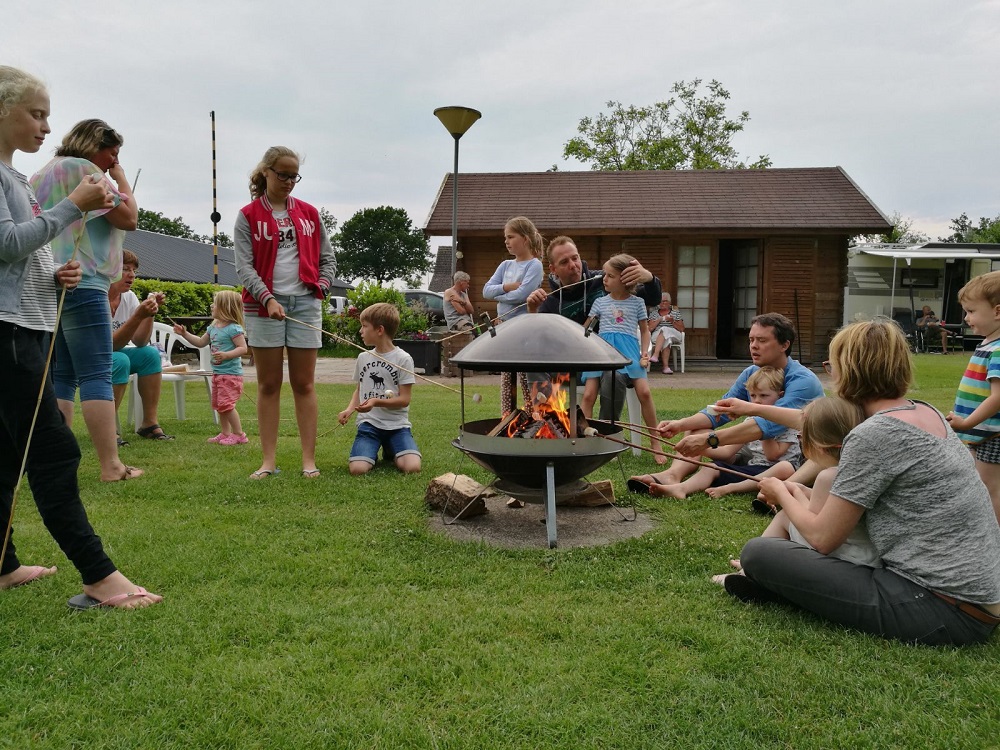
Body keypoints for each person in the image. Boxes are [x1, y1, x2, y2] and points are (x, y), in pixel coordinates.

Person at [726, 319, 1000, 646]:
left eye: (832, 366)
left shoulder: (874, 434)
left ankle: (771, 581)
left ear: (850, 370)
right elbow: (813, 420)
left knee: (759, 553)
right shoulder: (925, 412)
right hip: (980, 597)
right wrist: (749, 413)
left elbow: (823, 539)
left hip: (941, 607)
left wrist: (781, 492)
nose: (831, 375)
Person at [0, 65, 161, 608]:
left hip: (26, 323)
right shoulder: (14, 178)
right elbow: (6, 243)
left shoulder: (21, 178)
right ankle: (98, 576)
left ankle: (3, 565)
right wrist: (76, 205)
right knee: (53, 453)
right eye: (36, 114)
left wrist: (53, 273)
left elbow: (21, 251)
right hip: (10, 332)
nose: (47, 127)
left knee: (7, 452)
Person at [31, 118, 142, 481]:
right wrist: (121, 178)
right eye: (113, 152)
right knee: (96, 372)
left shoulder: (42, 174)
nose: (114, 160)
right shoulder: (87, 171)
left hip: (50, 279)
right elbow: (129, 218)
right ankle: (111, 465)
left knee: (62, 375)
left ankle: (58, 460)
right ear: (96, 145)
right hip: (87, 278)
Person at [630, 313, 823, 492]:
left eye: (762, 340)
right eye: (751, 340)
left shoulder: (802, 381)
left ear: (784, 345)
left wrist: (708, 440)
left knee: (705, 436)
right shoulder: (752, 372)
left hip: (791, 458)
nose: (754, 346)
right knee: (697, 428)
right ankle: (672, 475)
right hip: (752, 449)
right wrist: (681, 424)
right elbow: (719, 411)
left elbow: (766, 426)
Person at [234, 146, 337, 480]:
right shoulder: (248, 216)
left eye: (294, 176)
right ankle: (268, 462)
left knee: (304, 384)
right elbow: (244, 267)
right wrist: (267, 299)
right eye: (283, 175)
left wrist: (320, 286)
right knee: (268, 385)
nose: (289, 182)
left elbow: (328, 259)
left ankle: (309, 461)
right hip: (262, 308)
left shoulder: (309, 214)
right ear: (266, 172)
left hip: (305, 305)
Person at [712, 397, 878, 588]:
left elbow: (812, 522)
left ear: (817, 445)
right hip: (867, 555)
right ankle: (749, 565)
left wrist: (782, 494)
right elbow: (831, 505)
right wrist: (797, 489)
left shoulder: (827, 477)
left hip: (849, 558)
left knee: (785, 517)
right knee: (788, 514)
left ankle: (748, 571)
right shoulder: (854, 470)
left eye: (801, 437)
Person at [526, 236, 662, 420]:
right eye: (564, 262)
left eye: (575, 258)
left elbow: (652, 298)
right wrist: (532, 311)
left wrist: (649, 279)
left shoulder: (604, 280)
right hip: (571, 366)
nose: (573, 265)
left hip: (606, 361)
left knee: (612, 373)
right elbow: (537, 338)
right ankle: (548, 423)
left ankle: (607, 429)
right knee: (532, 361)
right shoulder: (550, 302)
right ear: (553, 269)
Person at [646, 367, 800, 498]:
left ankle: (732, 488)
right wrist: (699, 445)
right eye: (753, 396)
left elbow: (772, 455)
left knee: (785, 467)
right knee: (711, 467)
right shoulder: (750, 422)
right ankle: (681, 488)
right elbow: (727, 452)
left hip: (776, 471)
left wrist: (764, 428)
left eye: (764, 396)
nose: (757, 401)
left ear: (780, 396)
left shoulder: (787, 424)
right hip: (752, 469)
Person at [580, 253, 665, 462]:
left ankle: (655, 442)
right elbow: (586, 329)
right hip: (602, 354)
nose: (604, 279)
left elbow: (644, 331)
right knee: (589, 395)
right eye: (605, 275)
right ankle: (584, 442)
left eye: (610, 276)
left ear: (625, 279)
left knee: (644, 393)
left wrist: (644, 352)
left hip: (628, 353)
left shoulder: (637, 303)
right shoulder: (600, 302)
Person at [338, 302, 421, 475]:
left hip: (397, 426)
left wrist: (375, 402)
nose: (360, 331)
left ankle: (391, 447)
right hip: (369, 424)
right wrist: (350, 409)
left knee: (412, 467)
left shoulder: (403, 359)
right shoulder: (363, 357)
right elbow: (359, 389)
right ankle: (372, 450)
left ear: (380, 330)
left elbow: (404, 400)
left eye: (364, 326)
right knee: (358, 469)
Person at [946, 271, 1000, 521]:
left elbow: (997, 397)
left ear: (997, 312)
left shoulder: (998, 350)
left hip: (993, 435)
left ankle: (993, 536)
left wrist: (967, 422)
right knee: (975, 485)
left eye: (971, 311)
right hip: (981, 434)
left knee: (990, 489)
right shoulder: (988, 344)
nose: (966, 318)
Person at [482, 216, 544, 416]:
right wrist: (508, 287)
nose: (506, 241)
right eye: (505, 238)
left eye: (511, 237)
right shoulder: (505, 265)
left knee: (525, 374)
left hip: (524, 327)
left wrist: (500, 295)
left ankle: (532, 415)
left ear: (525, 239)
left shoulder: (534, 265)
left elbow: (523, 295)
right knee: (507, 374)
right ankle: (507, 416)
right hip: (504, 326)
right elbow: (486, 291)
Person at [109, 249, 170, 444]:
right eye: (126, 269)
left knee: (150, 355)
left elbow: (140, 341)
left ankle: (149, 423)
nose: (132, 275)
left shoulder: (129, 297)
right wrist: (137, 315)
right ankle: (107, 428)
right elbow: (110, 345)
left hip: (114, 352)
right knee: (120, 360)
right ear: (109, 269)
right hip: (90, 355)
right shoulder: (97, 295)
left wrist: (149, 313)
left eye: (134, 271)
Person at [173, 290, 248, 446]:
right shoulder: (213, 327)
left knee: (227, 405)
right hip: (218, 373)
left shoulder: (234, 329)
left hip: (230, 374)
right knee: (220, 405)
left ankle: (239, 434)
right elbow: (200, 342)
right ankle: (226, 433)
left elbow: (243, 348)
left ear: (225, 307)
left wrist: (227, 355)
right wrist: (184, 334)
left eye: (215, 303)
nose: (211, 306)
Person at [648, 292, 684, 374]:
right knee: (667, 339)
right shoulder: (654, 313)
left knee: (665, 329)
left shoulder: (675, 312)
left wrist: (672, 321)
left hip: (674, 334)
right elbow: (650, 328)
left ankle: (656, 354)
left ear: (669, 302)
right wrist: (659, 319)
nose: (662, 303)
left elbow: (681, 329)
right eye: (660, 301)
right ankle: (665, 367)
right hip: (657, 335)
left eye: (664, 301)